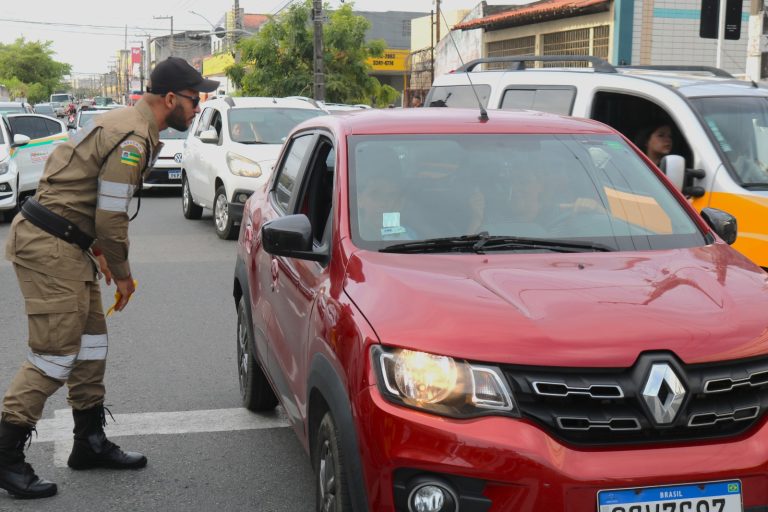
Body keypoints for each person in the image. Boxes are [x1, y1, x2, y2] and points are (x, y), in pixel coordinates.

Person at [0, 57, 218, 500]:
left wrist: (95, 250)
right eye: (196, 100)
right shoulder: (133, 137)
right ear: (171, 98)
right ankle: (5, 457)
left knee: (91, 343)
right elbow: (111, 216)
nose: (200, 108)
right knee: (54, 354)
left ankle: (89, 442)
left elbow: (81, 192)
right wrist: (122, 274)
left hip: (65, 238)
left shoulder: (122, 122)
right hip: (49, 244)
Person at [355, 146, 417, 241]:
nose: (384, 203)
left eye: (391, 196)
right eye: (375, 195)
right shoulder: (353, 237)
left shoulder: (411, 236)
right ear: (359, 199)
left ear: (401, 202)